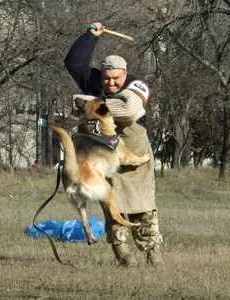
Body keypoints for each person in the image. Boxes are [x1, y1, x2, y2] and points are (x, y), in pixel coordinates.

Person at [64, 22, 164, 268]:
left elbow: (128, 111)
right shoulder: (95, 81)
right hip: (102, 151)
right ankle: (123, 253)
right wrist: (90, 36)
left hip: (134, 149)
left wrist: (86, 102)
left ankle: (153, 254)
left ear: (125, 74)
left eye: (115, 79)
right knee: (111, 203)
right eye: (106, 78)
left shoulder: (138, 85)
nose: (110, 83)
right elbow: (74, 64)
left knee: (144, 206)